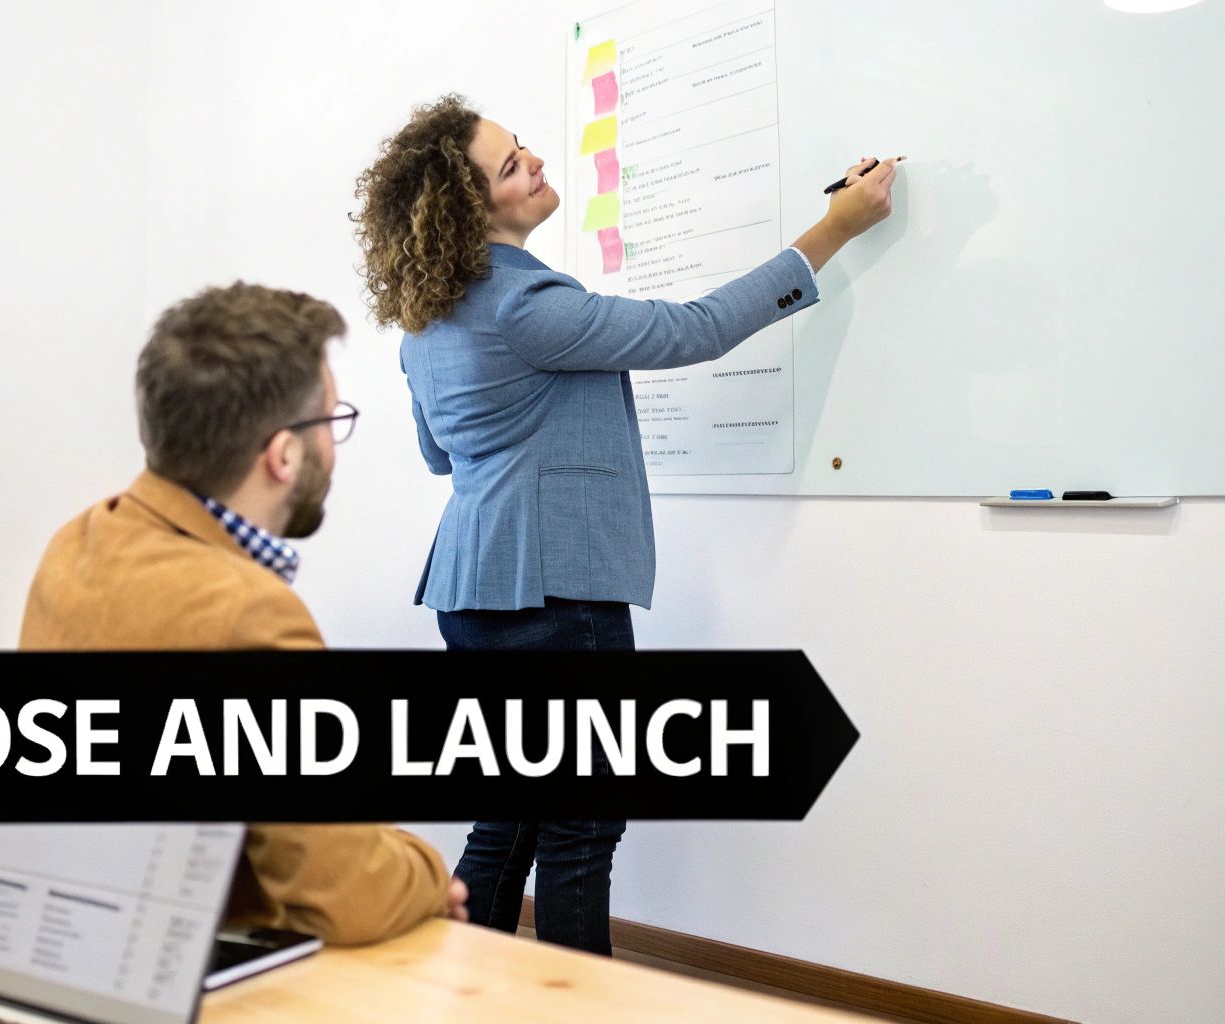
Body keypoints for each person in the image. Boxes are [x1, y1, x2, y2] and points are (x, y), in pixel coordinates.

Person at [351, 94, 900, 954]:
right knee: (582, 822)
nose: (535, 162)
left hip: (470, 590)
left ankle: (460, 997)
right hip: (553, 594)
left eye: (521, 146)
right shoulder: (525, 305)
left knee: (511, 813)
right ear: (471, 206)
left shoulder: (428, 323)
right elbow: (698, 331)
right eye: (510, 165)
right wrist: (833, 229)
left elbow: (439, 456)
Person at [20, 282, 466, 945]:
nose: (334, 448)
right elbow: (347, 897)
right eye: (333, 419)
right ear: (283, 454)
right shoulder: (248, 613)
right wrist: (431, 870)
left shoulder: (79, 539)